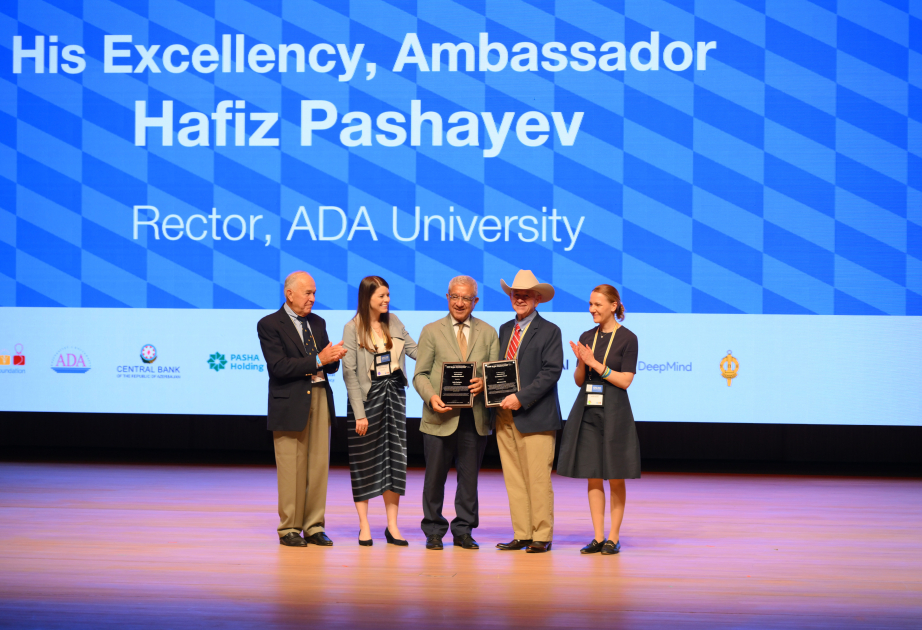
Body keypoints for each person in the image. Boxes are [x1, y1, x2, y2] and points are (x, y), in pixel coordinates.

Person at [257, 271, 347, 547]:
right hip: (290, 402)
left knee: (318, 467)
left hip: (320, 397)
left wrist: (334, 358)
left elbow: (326, 364)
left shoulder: (318, 322)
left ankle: (314, 526)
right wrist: (319, 359)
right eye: (308, 293)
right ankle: (289, 528)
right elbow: (279, 367)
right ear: (290, 294)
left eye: (314, 293)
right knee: (291, 468)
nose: (313, 298)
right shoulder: (269, 324)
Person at [413, 275, 499, 551]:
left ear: (475, 301)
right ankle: (433, 530)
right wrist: (432, 397)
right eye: (455, 297)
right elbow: (420, 375)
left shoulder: (488, 332)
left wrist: (484, 383)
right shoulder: (431, 330)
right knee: (434, 479)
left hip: (474, 418)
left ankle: (463, 530)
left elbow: (495, 374)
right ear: (447, 298)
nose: (459, 303)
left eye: (466, 298)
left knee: (469, 481)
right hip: (439, 416)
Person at [557, 284, 640, 555]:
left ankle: (613, 538)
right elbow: (579, 380)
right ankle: (597, 537)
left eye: (597, 304)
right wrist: (582, 362)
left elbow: (625, 381)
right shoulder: (586, 336)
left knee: (615, 475)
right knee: (592, 475)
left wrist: (595, 364)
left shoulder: (628, 338)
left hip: (615, 411)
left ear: (613, 306)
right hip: (588, 410)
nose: (592, 309)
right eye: (590, 304)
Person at [342, 276, 418, 547]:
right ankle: (364, 525)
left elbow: (416, 351)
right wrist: (359, 414)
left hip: (394, 395)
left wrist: (444, 352)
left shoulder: (393, 321)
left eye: (388, 295)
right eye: (381, 296)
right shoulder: (352, 328)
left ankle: (392, 526)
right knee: (364, 461)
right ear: (367, 298)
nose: (387, 300)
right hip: (366, 399)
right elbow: (350, 373)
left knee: (395, 460)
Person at [493, 270, 563, 554]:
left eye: (525, 295)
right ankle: (522, 533)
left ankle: (542, 535)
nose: (519, 299)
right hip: (503, 416)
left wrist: (520, 399)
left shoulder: (550, 331)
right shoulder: (504, 330)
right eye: (515, 294)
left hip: (535, 416)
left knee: (537, 478)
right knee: (514, 479)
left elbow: (551, 372)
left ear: (537, 299)